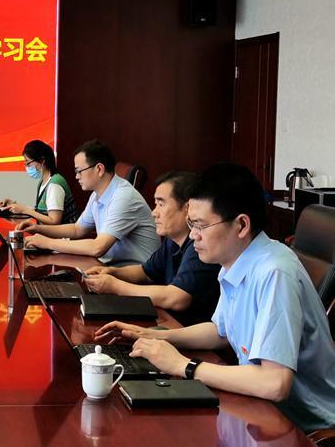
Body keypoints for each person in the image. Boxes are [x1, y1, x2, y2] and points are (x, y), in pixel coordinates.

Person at [95, 163, 335, 432]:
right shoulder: (234, 261)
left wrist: (184, 366)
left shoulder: (274, 272)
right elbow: (221, 331)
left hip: (303, 427)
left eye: (200, 225)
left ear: (241, 225)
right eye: (191, 224)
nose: (193, 235)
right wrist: (157, 336)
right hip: (260, 410)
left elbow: (275, 382)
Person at [83, 171, 221, 326]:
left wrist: (115, 286)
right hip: (168, 322)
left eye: (161, 204)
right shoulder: (172, 241)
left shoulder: (199, 245)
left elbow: (177, 298)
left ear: (187, 208)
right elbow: (145, 272)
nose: (154, 213)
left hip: (187, 331)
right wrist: (112, 272)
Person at [17, 140, 159, 265]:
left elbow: (97, 247)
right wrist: (37, 229)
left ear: (99, 169)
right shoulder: (97, 194)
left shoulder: (123, 197)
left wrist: (47, 243)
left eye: (79, 171)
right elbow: (77, 229)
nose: (76, 177)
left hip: (138, 275)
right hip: (112, 267)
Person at [0, 140, 78, 225]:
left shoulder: (54, 184)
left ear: (42, 160)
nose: (27, 167)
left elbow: (54, 221)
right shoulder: (43, 181)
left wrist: (24, 210)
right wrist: (15, 206)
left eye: (28, 163)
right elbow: (40, 212)